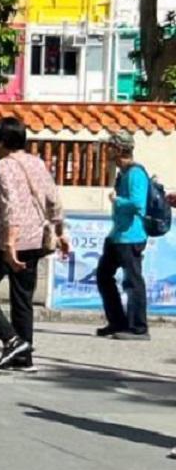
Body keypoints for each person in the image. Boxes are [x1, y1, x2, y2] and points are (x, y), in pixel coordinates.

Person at [0, 116, 67, 370]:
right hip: (34, 238)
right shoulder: (37, 163)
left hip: (6, 242)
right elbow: (53, 198)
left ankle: (11, 340)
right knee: (22, 299)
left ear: (1, 141)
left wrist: (10, 243)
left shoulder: (4, 166)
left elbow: (12, 204)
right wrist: (60, 230)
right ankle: (23, 357)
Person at [97, 130, 150, 338]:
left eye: (110, 147)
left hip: (131, 236)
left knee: (133, 281)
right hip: (117, 235)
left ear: (119, 149)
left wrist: (116, 201)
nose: (107, 151)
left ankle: (138, 327)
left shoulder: (136, 173)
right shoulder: (124, 173)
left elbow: (139, 204)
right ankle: (118, 322)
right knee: (104, 276)